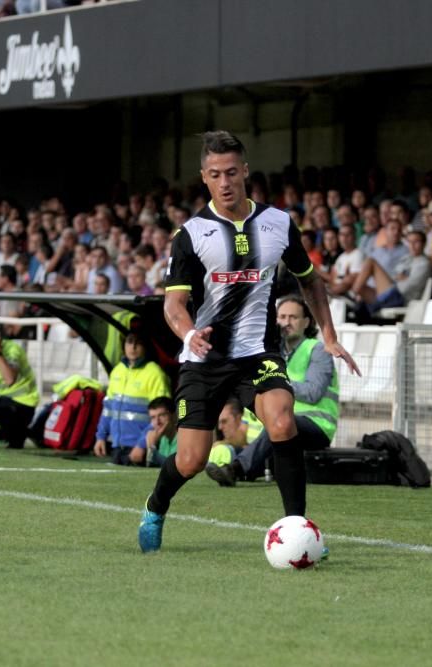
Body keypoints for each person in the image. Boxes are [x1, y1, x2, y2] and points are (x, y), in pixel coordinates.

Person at [138, 131, 359, 553]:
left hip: (258, 353)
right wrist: (189, 334)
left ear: (245, 172)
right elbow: (173, 305)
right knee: (191, 460)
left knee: (281, 421)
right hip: (205, 358)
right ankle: (156, 504)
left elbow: (308, 280)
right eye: (216, 174)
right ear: (204, 177)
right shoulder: (192, 234)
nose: (225, 182)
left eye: (232, 172)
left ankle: (299, 527)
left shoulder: (278, 224)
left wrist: (329, 335)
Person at [208, 295, 337, 486]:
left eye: (293, 317)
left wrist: (277, 383)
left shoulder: (317, 350)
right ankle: (234, 463)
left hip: (317, 426)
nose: (287, 322)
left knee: (281, 421)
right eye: (282, 317)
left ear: (306, 322)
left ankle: (236, 469)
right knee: (278, 425)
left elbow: (313, 392)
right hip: (282, 422)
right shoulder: (274, 353)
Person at [92, 332, 171, 466]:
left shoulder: (155, 374)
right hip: (117, 446)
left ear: (145, 347)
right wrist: (101, 437)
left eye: (138, 343)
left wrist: (142, 445)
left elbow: (162, 417)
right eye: (129, 342)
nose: (133, 347)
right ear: (124, 346)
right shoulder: (117, 371)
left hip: (140, 448)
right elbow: (108, 410)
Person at [0, 315, 39, 449]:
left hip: (22, 403)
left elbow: (10, 379)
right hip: (0, 400)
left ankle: (18, 432)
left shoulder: (11, 349)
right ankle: (10, 433)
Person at [138, 396, 177, 467]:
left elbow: (176, 467)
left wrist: (152, 448)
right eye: (153, 417)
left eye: (162, 415)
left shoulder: (183, 436)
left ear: (174, 415)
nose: (157, 422)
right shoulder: (162, 438)